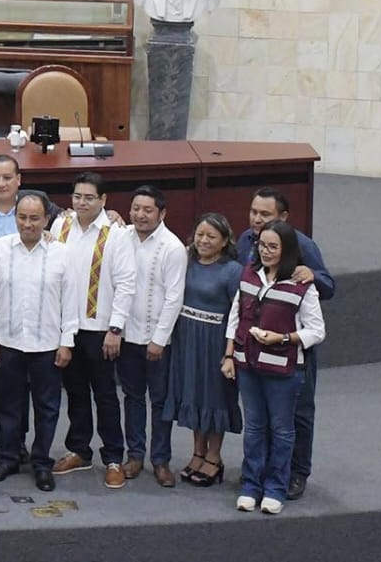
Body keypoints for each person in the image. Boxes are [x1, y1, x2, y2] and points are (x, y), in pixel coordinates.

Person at [234, 188, 335, 501]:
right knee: (259, 415)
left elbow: (329, 286)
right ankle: (261, 469)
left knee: (297, 413)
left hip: (294, 345)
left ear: (283, 218)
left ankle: (296, 472)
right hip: (254, 346)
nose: (257, 219)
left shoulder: (302, 245)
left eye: (265, 215)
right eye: (254, 212)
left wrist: (312, 275)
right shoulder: (245, 242)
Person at [0, 192, 80, 493]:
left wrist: (67, 342)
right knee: (8, 406)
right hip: (9, 343)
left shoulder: (61, 253)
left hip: (48, 344)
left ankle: (41, 463)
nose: (28, 223)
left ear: (46, 219)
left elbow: (70, 301)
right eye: (22, 217)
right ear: (15, 218)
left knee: (47, 408)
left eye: (34, 218)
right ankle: (9, 457)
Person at [0, 153, 61, 462]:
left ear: (19, 180)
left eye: (8, 177)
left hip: (36, 315)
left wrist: (112, 215)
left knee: (28, 393)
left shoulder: (37, 205)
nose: (1, 183)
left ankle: (20, 446)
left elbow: (75, 217)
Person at [48, 172, 136, 491]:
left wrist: (116, 328)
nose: (81, 203)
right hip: (66, 327)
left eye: (89, 197)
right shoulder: (61, 226)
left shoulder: (117, 234)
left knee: (106, 396)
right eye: (77, 196)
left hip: (101, 329)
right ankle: (79, 450)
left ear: (103, 200)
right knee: (74, 393)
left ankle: (113, 457)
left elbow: (126, 283)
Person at [162, 212, 242, 487]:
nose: (204, 240)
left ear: (224, 241)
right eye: (200, 235)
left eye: (211, 236)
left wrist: (230, 352)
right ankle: (197, 452)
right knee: (194, 394)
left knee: (215, 398)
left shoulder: (232, 270)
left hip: (215, 341)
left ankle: (214, 456)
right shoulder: (186, 260)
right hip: (187, 339)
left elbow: (238, 313)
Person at [116, 185, 187, 486]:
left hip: (158, 339)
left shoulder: (173, 247)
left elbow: (174, 297)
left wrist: (159, 338)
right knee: (132, 397)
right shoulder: (120, 237)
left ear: (162, 213)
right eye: (136, 208)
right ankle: (134, 456)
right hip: (126, 334)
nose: (140, 215)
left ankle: (160, 460)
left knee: (159, 401)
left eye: (147, 210)